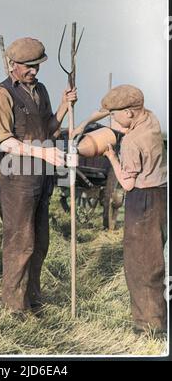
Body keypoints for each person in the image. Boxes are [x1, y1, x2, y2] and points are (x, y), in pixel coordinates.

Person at [0, 37, 77, 315]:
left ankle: (33, 300)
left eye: (37, 65)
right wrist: (43, 154)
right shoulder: (1, 95)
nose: (34, 71)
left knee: (40, 242)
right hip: (17, 181)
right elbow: (5, 142)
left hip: (41, 178)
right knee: (20, 243)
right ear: (12, 65)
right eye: (28, 66)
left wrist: (63, 105)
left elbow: (50, 128)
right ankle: (14, 308)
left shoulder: (42, 90)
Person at [78, 84, 167, 335]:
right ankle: (158, 319)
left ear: (128, 112)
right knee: (156, 261)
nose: (112, 119)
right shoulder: (150, 120)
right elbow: (120, 122)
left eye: (115, 114)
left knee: (140, 266)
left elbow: (127, 183)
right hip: (161, 194)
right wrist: (90, 121)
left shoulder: (130, 143)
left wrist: (111, 157)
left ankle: (148, 327)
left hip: (142, 200)